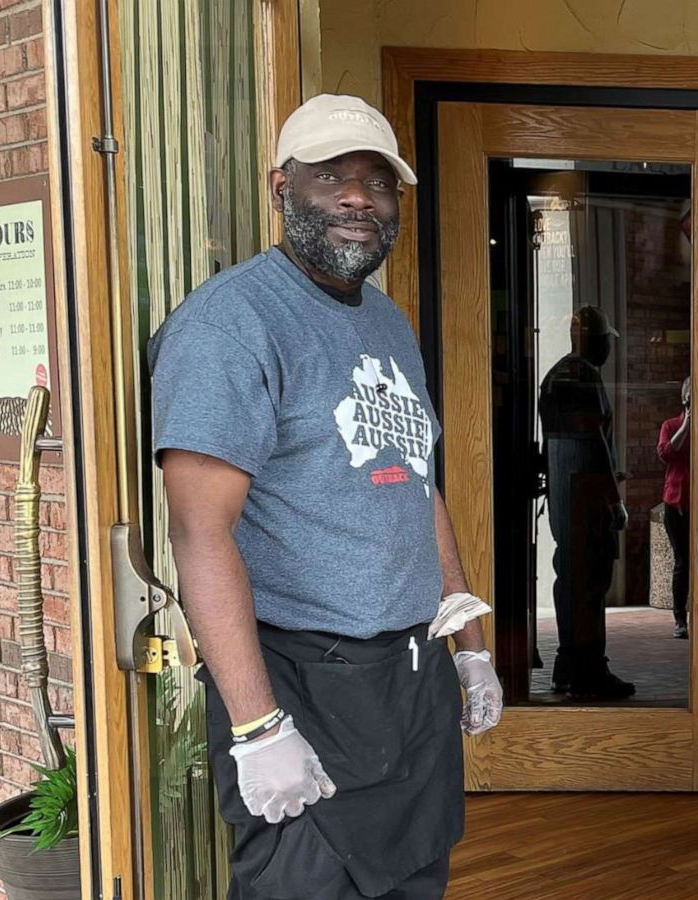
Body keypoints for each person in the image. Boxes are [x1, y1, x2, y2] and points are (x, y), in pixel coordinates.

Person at [149, 94, 503, 900]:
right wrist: (256, 726)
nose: (357, 198)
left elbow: (417, 482)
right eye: (331, 177)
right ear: (281, 187)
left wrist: (469, 641)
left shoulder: (387, 321)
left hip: (409, 689)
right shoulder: (231, 325)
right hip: (301, 688)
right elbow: (200, 534)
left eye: (377, 184)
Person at [539, 305, 635, 699]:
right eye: (606, 341)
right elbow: (592, 441)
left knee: (571, 580)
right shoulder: (583, 375)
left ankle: (569, 665)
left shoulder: (554, 375)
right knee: (591, 584)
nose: (608, 349)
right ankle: (589, 670)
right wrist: (613, 499)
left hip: (564, 496)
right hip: (586, 498)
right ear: (594, 340)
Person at [657, 380, 691, 639]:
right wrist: (687, 424)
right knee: (682, 561)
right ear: (684, 399)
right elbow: (667, 453)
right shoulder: (671, 425)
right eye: (689, 397)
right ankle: (680, 618)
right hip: (676, 503)